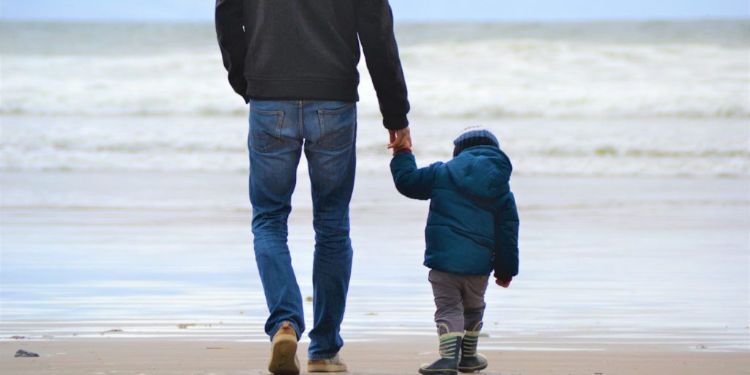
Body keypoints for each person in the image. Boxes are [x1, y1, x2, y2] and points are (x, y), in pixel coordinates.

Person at [215, 0, 410, 373]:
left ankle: (285, 323)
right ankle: (323, 348)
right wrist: (396, 114)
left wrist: (246, 80)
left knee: (270, 220)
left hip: (269, 97)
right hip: (333, 98)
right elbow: (377, 31)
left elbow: (227, 13)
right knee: (333, 224)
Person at [389, 127, 519, 375]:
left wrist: (403, 151)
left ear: (458, 151)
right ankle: (468, 357)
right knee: (473, 307)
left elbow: (407, 182)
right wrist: (505, 270)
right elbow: (508, 232)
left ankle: (449, 358)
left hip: (444, 262)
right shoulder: (500, 187)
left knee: (448, 308)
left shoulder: (442, 173)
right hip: (479, 266)